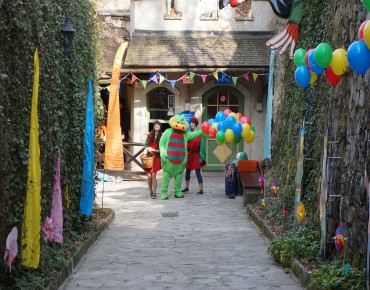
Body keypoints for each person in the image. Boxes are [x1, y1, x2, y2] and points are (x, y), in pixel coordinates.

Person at [181, 116, 206, 195]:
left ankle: (201, 189)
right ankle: (186, 187)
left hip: (196, 155)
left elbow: (202, 147)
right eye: (190, 123)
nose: (191, 124)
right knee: (187, 172)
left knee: (198, 172)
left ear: (195, 124)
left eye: (193, 123)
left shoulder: (200, 134)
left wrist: (202, 157)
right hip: (189, 155)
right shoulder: (188, 133)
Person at [144, 120, 162, 199]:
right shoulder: (149, 135)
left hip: (156, 157)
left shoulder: (162, 136)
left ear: (160, 127)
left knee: (154, 175)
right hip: (149, 158)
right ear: (153, 126)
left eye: (158, 125)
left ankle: (154, 193)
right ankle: (150, 191)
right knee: (149, 176)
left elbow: (162, 149)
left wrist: (154, 150)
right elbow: (145, 145)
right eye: (155, 125)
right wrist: (148, 148)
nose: (156, 126)